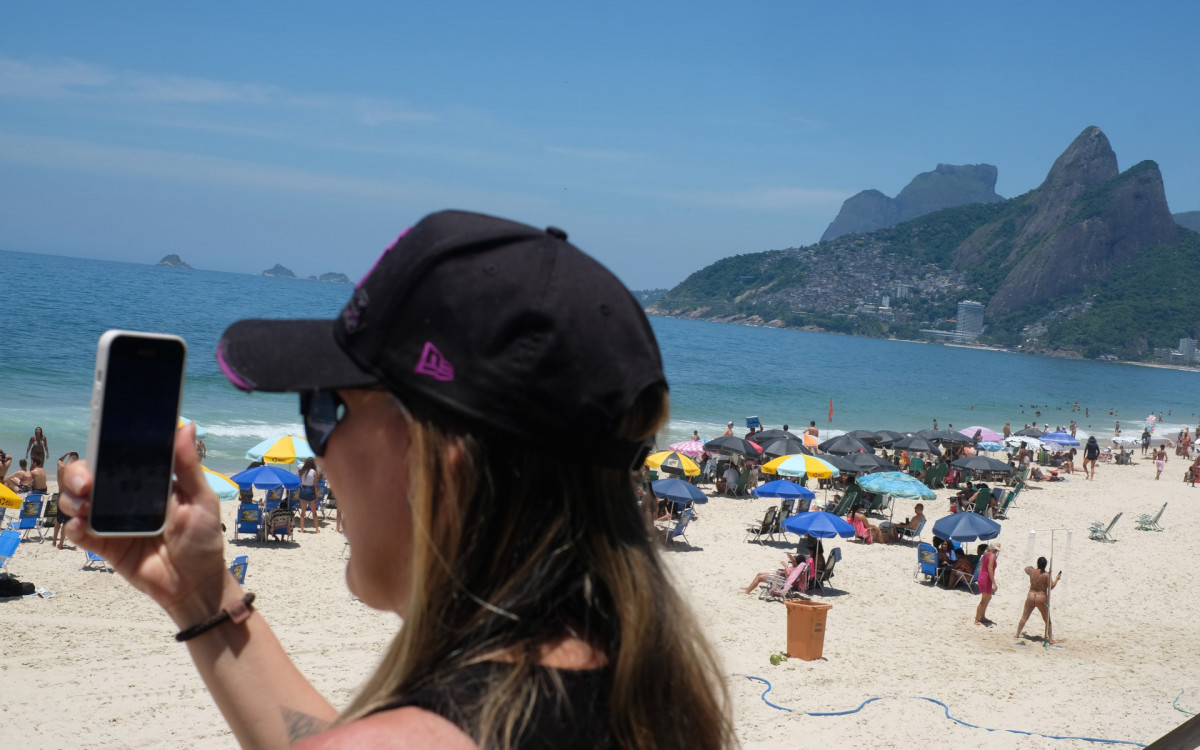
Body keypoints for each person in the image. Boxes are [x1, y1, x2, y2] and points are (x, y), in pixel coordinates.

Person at [59, 210, 733, 750]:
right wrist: (203, 595)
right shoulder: (644, 696)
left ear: (437, 464)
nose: (318, 458)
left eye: (326, 408)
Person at [1016, 556, 1062, 645]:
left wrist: (1034, 568)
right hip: (1041, 597)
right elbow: (1051, 586)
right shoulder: (1047, 575)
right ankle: (1050, 639)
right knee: (1047, 620)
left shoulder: (1032, 572)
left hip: (1031, 595)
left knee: (1024, 617)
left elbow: (1026, 568)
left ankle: (1017, 634)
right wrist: (1057, 578)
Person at [54, 452, 79, 549]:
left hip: (60, 497)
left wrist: (67, 453)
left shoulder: (61, 466)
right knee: (66, 522)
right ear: (75, 459)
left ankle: (54, 541)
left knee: (58, 520)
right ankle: (60, 544)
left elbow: (59, 460)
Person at [974, 543, 998, 626]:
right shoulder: (991, 556)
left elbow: (981, 568)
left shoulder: (985, 554)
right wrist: (994, 583)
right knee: (984, 600)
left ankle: (982, 617)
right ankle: (977, 619)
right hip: (986, 579)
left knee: (988, 598)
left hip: (983, 577)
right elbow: (990, 569)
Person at [298, 457, 320, 533]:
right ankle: (317, 529)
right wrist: (317, 496)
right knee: (314, 512)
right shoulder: (314, 472)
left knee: (303, 511)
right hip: (310, 490)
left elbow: (301, 482)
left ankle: (302, 529)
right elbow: (315, 486)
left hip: (303, 489)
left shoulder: (302, 471)